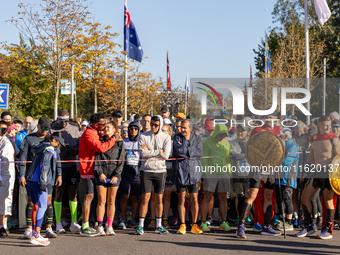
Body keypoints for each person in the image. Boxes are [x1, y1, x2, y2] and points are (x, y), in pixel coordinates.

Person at [236, 113, 282, 238]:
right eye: (267, 117)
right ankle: (241, 225)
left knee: (268, 196)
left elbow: (280, 150)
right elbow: (250, 147)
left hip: (271, 168)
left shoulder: (278, 131)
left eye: (271, 118)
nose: (269, 120)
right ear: (263, 119)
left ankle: (267, 226)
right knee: (252, 195)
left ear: (275, 119)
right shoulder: (257, 130)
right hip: (258, 166)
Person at [296, 116, 340, 239]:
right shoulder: (315, 139)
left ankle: (327, 230)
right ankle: (309, 226)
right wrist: (305, 173)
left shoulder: (334, 139)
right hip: (316, 172)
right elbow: (311, 158)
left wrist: (336, 176)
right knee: (304, 197)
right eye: (325, 125)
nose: (327, 127)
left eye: (329, 125)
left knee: (328, 201)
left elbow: (339, 159)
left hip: (328, 174)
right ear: (319, 125)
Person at [19, 116, 60, 239]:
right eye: (43, 128)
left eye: (48, 128)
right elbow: (23, 158)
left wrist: (59, 174)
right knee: (32, 202)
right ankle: (29, 228)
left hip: (48, 178)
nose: (46, 130)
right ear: (37, 126)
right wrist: (22, 175)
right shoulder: (29, 139)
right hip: (33, 177)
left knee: (47, 202)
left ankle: (48, 227)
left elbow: (57, 160)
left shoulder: (52, 139)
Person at [78, 113, 117, 237]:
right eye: (102, 124)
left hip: (93, 169)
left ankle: (89, 223)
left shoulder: (94, 131)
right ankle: (85, 225)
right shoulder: (89, 134)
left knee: (92, 197)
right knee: (88, 196)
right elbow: (100, 147)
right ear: (95, 125)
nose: (104, 126)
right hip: (87, 169)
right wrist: (113, 140)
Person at [26, 132, 65, 246]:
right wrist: (43, 182)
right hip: (40, 181)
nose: (59, 147)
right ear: (54, 141)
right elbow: (45, 165)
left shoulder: (41, 146)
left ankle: (34, 233)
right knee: (42, 206)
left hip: (31, 180)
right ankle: (36, 235)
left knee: (36, 206)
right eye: (59, 144)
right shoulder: (49, 149)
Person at [135, 115, 171, 235]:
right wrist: (157, 152)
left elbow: (166, 155)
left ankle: (159, 225)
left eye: (156, 125)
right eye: (152, 124)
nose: (153, 127)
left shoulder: (166, 137)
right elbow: (142, 153)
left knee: (159, 198)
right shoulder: (143, 135)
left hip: (160, 171)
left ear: (160, 125)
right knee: (145, 198)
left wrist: (150, 152)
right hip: (146, 170)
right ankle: (140, 225)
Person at [50, 110, 82, 234]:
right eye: (61, 121)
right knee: (58, 193)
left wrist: (71, 149)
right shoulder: (52, 130)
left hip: (72, 165)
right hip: (58, 166)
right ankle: (58, 222)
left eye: (66, 121)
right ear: (57, 119)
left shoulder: (74, 129)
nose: (63, 123)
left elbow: (80, 148)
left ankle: (73, 222)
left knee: (73, 193)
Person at [200, 123, 233, 232]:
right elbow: (204, 158)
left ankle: (223, 222)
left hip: (224, 173)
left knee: (223, 197)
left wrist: (230, 174)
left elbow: (228, 160)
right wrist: (204, 173)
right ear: (217, 133)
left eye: (225, 135)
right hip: (210, 173)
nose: (223, 137)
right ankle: (203, 222)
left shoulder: (227, 143)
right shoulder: (207, 142)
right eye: (221, 135)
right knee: (207, 196)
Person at [94, 121, 125, 236]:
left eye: (109, 127)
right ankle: (100, 225)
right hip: (102, 175)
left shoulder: (119, 143)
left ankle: (110, 226)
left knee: (111, 201)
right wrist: (100, 173)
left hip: (114, 176)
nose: (106, 129)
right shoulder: (99, 141)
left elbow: (121, 160)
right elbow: (96, 158)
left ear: (114, 130)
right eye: (105, 127)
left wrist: (116, 175)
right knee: (101, 200)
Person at [173, 119, 203, 234]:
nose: (182, 130)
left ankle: (194, 224)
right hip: (181, 172)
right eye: (181, 127)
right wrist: (190, 150)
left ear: (190, 127)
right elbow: (178, 151)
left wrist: (186, 150)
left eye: (185, 128)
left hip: (194, 172)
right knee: (181, 199)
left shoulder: (197, 138)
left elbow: (200, 152)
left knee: (194, 199)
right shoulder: (177, 138)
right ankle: (182, 224)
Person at [118, 121, 142, 229]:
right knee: (124, 197)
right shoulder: (124, 141)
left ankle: (132, 219)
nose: (133, 131)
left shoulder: (141, 141)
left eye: (135, 129)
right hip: (125, 172)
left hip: (137, 173)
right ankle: (123, 218)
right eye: (131, 128)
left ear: (138, 130)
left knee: (135, 198)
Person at [275, 128, 299, 231]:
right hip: (279, 176)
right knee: (279, 200)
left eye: (281, 136)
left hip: (288, 177)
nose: (279, 138)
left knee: (287, 199)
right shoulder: (280, 145)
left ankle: (289, 222)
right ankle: (282, 220)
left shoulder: (293, 146)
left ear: (286, 136)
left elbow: (286, 160)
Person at [230, 124, 252, 228]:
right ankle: (239, 216)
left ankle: (247, 216)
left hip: (249, 173)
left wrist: (243, 156)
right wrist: (244, 156)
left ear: (247, 132)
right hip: (237, 172)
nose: (240, 133)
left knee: (248, 196)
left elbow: (251, 156)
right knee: (239, 196)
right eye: (238, 131)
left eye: (242, 131)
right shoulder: (233, 142)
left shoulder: (250, 143)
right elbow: (235, 154)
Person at [0, 121, 16, 237]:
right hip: (2, 175)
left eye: (3, 130)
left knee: (5, 201)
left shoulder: (6, 144)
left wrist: (0, 178)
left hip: (5, 176)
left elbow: (4, 164)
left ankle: (3, 226)